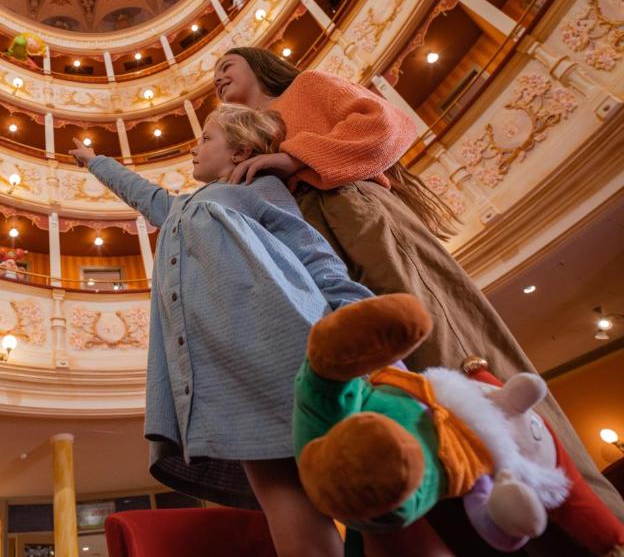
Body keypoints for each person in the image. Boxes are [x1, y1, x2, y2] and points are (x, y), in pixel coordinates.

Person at [212, 47, 624, 542]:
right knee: (393, 379)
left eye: (224, 67)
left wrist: (291, 157)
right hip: (315, 242)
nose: (216, 78)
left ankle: (582, 521)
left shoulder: (307, 89)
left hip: (355, 212)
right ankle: (468, 521)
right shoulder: (250, 129)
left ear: (257, 66)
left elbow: (384, 124)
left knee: (442, 342)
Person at [70, 104, 375, 557]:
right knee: (281, 499)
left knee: (363, 489)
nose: (195, 148)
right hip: (225, 375)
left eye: (207, 139)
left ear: (242, 151)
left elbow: (312, 253)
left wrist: (357, 317)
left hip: (282, 348)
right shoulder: (175, 208)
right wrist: (95, 161)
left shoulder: (257, 189)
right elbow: (138, 191)